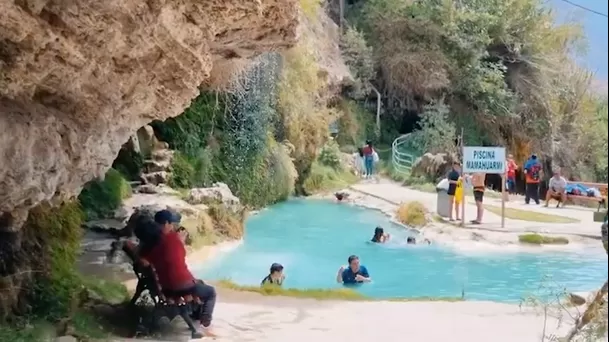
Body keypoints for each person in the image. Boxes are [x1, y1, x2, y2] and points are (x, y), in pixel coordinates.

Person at [139, 209, 217, 337]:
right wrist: (181, 241)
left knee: (198, 284)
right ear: (166, 224)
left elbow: (147, 259)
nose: (173, 226)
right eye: (171, 223)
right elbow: (180, 259)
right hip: (178, 287)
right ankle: (205, 321)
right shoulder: (172, 239)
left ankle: (196, 315)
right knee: (210, 292)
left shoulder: (152, 242)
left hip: (165, 287)